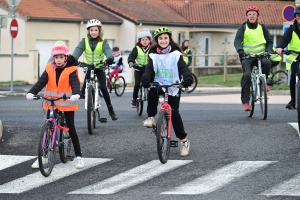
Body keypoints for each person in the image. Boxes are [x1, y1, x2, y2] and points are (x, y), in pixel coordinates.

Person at [26, 42, 84, 169]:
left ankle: (79, 157)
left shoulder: (71, 69)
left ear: (65, 57)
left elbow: (75, 83)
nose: (58, 60)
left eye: (61, 57)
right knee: (49, 128)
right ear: (53, 58)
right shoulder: (48, 68)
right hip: (51, 102)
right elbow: (41, 82)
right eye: (56, 57)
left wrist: (76, 93)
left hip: (67, 102)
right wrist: (31, 92)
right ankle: (44, 156)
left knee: (71, 128)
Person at [141, 27, 193, 157]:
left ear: (169, 39)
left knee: (174, 114)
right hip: (159, 83)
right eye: (160, 38)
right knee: (152, 90)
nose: (163, 40)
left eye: (165, 38)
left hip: (174, 85)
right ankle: (151, 117)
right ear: (157, 40)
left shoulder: (176, 54)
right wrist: (146, 78)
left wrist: (187, 77)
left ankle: (184, 141)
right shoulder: (153, 55)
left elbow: (183, 68)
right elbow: (149, 70)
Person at [73, 19, 118, 120]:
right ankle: (83, 92)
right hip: (88, 65)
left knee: (103, 88)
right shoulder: (84, 41)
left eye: (96, 30)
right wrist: (74, 58)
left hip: (100, 67)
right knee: (88, 74)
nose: (93, 32)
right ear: (88, 31)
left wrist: (110, 58)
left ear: (99, 31)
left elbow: (108, 51)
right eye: (91, 30)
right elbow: (78, 50)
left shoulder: (103, 41)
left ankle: (111, 111)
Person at [234, 5, 272, 111]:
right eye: (249, 14)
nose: (251, 16)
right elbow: (237, 40)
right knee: (247, 75)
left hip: (261, 55)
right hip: (247, 56)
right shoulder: (243, 27)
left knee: (268, 63)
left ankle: (264, 82)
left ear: (257, 16)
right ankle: (246, 102)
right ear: (247, 16)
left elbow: (269, 41)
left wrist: (268, 51)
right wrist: (240, 51)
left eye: (254, 14)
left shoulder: (262, 27)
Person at [276, 6, 300, 110]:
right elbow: (284, 39)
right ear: (295, 17)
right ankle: (293, 101)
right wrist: (280, 47)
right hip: (295, 56)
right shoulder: (292, 29)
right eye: (298, 16)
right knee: (294, 76)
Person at [128, 28, 153, 108]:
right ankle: (134, 100)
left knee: (151, 85)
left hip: (148, 69)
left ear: (150, 40)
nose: (144, 41)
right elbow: (131, 56)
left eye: (146, 39)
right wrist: (131, 62)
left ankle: (151, 99)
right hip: (138, 68)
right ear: (139, 40)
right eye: (143, 39)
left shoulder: (152, 49)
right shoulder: (137, 48)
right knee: (137, 84)